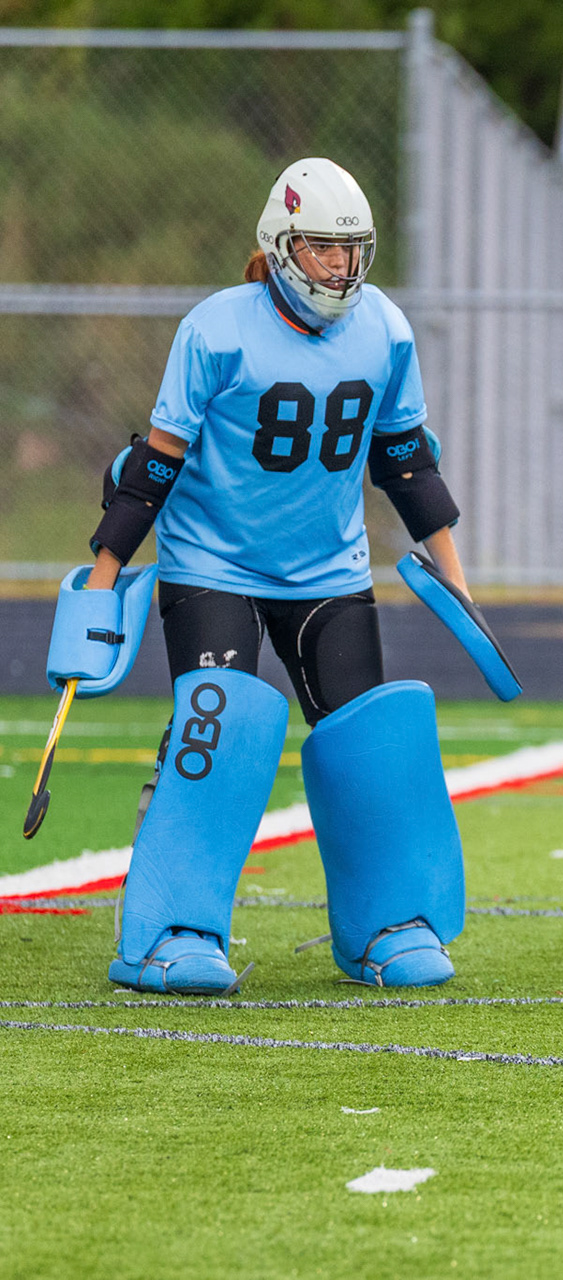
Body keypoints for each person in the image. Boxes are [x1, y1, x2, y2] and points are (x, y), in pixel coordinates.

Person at [48, 158, 471, 994]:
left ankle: (387, 924)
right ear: (280, 246)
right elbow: (152, 468)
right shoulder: (214, 330)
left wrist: (458, 581)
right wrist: (101, 581)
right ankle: (172, 929)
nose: (340, 267)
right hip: (213, 564)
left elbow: (406, 463)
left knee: (366, 739)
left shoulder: (386, 329)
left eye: (351, 250)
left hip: (329, 570)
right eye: (322, 248)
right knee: (224, 726)